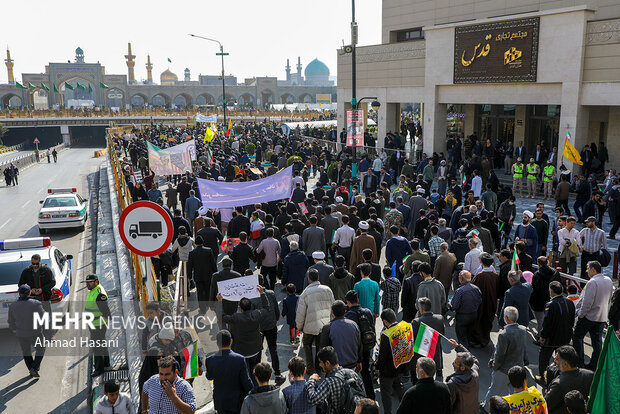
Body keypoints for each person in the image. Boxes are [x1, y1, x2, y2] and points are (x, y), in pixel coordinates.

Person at [572, 260, 614, 369]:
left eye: (587, 268)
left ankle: (579, 362)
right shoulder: (609, 280)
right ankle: (595, 364)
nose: (586, 271)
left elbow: (587, 303)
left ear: (593, 269)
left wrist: (580, 314)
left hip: (589, 316)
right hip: (602, 316)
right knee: (597, 341)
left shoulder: (592, 282)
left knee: (577, 336)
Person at [483, 307, 526, 410]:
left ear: (506, 318)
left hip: (504, 369)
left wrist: (495, 367)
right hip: (518, 368)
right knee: (515, 393)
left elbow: (500, 354)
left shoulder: (504, 334)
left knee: (493, 391)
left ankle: (486, 409)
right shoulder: (523, 330)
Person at [205, 330, 253, 414]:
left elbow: (209, 376)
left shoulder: (210, 360)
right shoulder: (239, 359)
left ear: (217, 343)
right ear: (231, 341)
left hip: (221, 402)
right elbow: (246, 381)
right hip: (237, 402)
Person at [296, 269, 335, 375]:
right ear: (318, 278)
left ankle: (310, 368)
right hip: (325, 324)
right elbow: (333, 307)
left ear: (309, 279)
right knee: (320, 346)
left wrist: (299, 326)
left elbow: (300, 313)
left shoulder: (305, 293)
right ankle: (319, 367)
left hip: (309, 326)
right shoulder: (327, 290)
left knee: (307, 344)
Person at [536, 280, 575, 385]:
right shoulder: (569, 302)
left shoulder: (550, 305)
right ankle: (563, 374)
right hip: (565, 336)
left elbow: (547, 323)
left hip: (552, 338)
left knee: (544, 357)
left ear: (552, 291)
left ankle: (544, 377)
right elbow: (572, 320)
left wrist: (543, 336)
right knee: (563, 357)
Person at [305, 346, 365, 414]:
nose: (319, 365)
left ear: (327, 363)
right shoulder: (352, 373)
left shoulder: (329, 382)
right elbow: (363, 393)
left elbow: (312, 399)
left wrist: (311, 380)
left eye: (320, 362)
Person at [376, 309, 412, 414]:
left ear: (385, 321)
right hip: (401, 365)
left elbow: (382, 356)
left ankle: (388, 412)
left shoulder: (386, 334)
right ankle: (405, 408)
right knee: (398, 386)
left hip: (388, 370)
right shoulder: (406, 326)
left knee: (386, 393)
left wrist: (377, 367)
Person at [8, 284, 46, 378]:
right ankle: (34, 368)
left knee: (26, 352)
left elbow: (11, 320)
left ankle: (31, 369)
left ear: (19, 294)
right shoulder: (35, 303)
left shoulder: (13, 306)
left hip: (21, 334)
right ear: (29, 292)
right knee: (41, 348)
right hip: (35, 332)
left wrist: (13, 329)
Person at [345, 290, 377, 400]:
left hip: (355, 349)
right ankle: (371, 396)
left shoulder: (348, 316)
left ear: (348, 302)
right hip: (367, 346)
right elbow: (372, 328)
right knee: (366, 372)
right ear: (358, 300)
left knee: (352, 374)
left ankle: (354, 398)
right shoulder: (367, 312)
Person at [545, 346, 594, 414]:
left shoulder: (558, 384)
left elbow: (545, 404)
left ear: (565, 364)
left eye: (557, 359)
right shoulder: (590, 375)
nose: (555, 361)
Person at [82, 274, 111, 377]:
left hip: (98, 324)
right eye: (87, 282)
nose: (87, 284)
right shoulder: (94, 291)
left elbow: (105, 310)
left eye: (90, 282)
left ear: (96, 282)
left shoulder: (99, 294)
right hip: (95, 323)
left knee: (97, 346)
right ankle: (106, 362)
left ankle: (99, 369)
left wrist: (106, 320)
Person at [319, 300, 362, 370]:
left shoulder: (328, 327)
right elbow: (359, 345)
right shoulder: (354, 324)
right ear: (345, 311)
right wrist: (359, 361)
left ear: (332, 312)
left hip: (334, 368)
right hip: (352, 365)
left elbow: (323, 349)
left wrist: (324, 367)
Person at [445, 339, 479, 414]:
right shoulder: (474, 370)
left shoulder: (452, 383)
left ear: (462, 368)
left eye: (455, 363)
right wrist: (458, 347)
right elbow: (473, 358)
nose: (452, 363)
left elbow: (449, 404)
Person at [413, 297, 445, 377]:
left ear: (421, 309)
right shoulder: (440, 318)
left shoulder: (417, 321)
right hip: (436, 349)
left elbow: (414, 338)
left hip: (422, 350)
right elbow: (442, 333)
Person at [450, 270, 482, 348]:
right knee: (468, 335)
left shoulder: (460, 291)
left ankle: (465, 355)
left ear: (461, 279)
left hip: (462, 317)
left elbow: (454, 306)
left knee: (462, 338)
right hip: (473, 315)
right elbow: (480, 301)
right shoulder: (476, 288)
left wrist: (449, 304)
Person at [187, 235, 217, 313]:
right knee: (208, 290)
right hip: (208, 275)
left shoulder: (192, 253)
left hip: (198, 276)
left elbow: (189, 266)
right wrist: (215, 273)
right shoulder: (208, 250)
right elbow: (213, 263)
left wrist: (189, 276)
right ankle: (208, 304)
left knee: (200, 292)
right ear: (202, 242)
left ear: (196, 244)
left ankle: (202, 308)